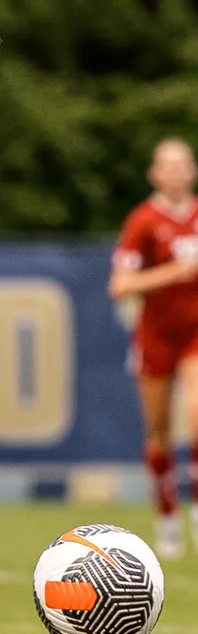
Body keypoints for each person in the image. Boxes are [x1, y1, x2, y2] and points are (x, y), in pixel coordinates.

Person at [109, 138, 198, 559]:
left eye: (184, 164)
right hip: (156, 338)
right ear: (155, 174)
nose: (178, 173)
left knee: (197, 421)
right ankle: (167, 517)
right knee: (160, 436)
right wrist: (173, 273)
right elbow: (121, 285)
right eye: (170, 166)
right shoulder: (143, 221)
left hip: (195, 337)